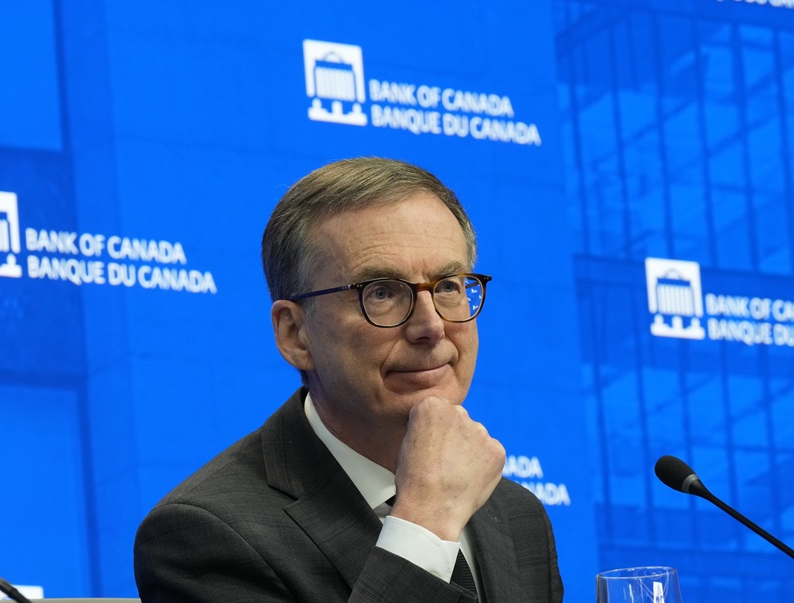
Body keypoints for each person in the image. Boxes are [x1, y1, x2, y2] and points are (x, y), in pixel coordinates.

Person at [134, 157, 564, 602]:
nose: (431, 326)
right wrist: (426, 523)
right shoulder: (206, 535)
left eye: (449, 286)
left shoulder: (517, 515)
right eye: (380, 292)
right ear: (295, 334)